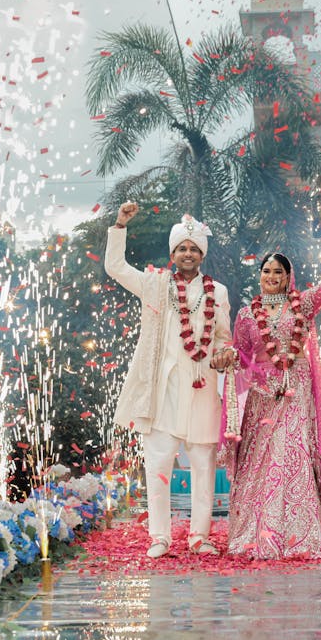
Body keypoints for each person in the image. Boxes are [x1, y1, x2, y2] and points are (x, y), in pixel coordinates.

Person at [223, 212, 321, 559]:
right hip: (264, 397)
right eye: (266, 271)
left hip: (298, 392)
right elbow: (242, 355)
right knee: (263, 461)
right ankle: (262, 533)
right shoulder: (247, 315)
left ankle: (302, 534)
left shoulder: (303, 303)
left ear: (288, 277)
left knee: (292, 456)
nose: (271, 276)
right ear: (259, 276)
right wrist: (227, 358)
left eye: (278, 271)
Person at [105, 202, 235, 558]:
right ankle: (159, 537)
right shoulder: (154, 285)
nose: (188, 254)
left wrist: (225, 352)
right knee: (158, 463)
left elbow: (224, 337)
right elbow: (115, 267)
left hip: (203, 386)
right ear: (173, 253)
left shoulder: (218, 292)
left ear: (201, 254)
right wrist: (119, 226)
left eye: (194, 249)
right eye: (182, 248)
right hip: (161, 389)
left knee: (203, 464)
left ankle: (199, 536)